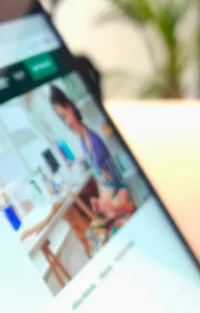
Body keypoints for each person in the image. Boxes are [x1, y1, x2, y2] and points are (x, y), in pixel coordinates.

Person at [48, 84, 135, 222]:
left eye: (64, 116)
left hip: (124, 198)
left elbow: (115, 182)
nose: (66, 122)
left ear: (70, 108)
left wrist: (107, 203)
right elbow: (103, 181)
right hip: (115, 199)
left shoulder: (94, 140)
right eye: (62, 118)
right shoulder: (83, 140)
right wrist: (101, 202)